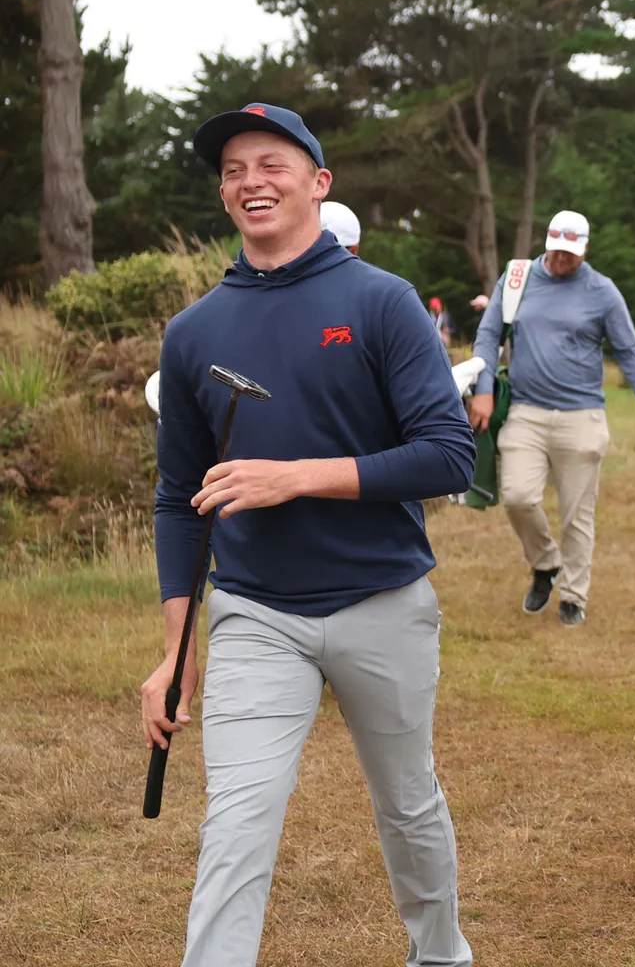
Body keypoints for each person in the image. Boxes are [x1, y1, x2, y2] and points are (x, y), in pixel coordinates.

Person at [142, 102, 475, 967]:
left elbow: (447, 456)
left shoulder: (382, 301)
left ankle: (440, 953)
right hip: (256, 613)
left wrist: (296, 476)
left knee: (407, 803)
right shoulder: (194, 332)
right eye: (233, 170)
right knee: (236, 823)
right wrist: (176, 649)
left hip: (384, 601)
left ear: (319, 184)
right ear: (223, 195)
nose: (251, 181)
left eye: (272, 164)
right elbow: (180, 497)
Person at [467, 210, 635, 628]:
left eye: (572, 252)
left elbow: (629, 351)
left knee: (577, 513)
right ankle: (545, 563)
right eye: (557, 250)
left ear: (585, 248)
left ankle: (573, 595)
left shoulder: (601, 291)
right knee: (517, 496)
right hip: (525, 412)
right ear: (547, 241)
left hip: (581, 417)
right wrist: (482, 390)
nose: (563, 258)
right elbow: (488, 334)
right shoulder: (517, 278)